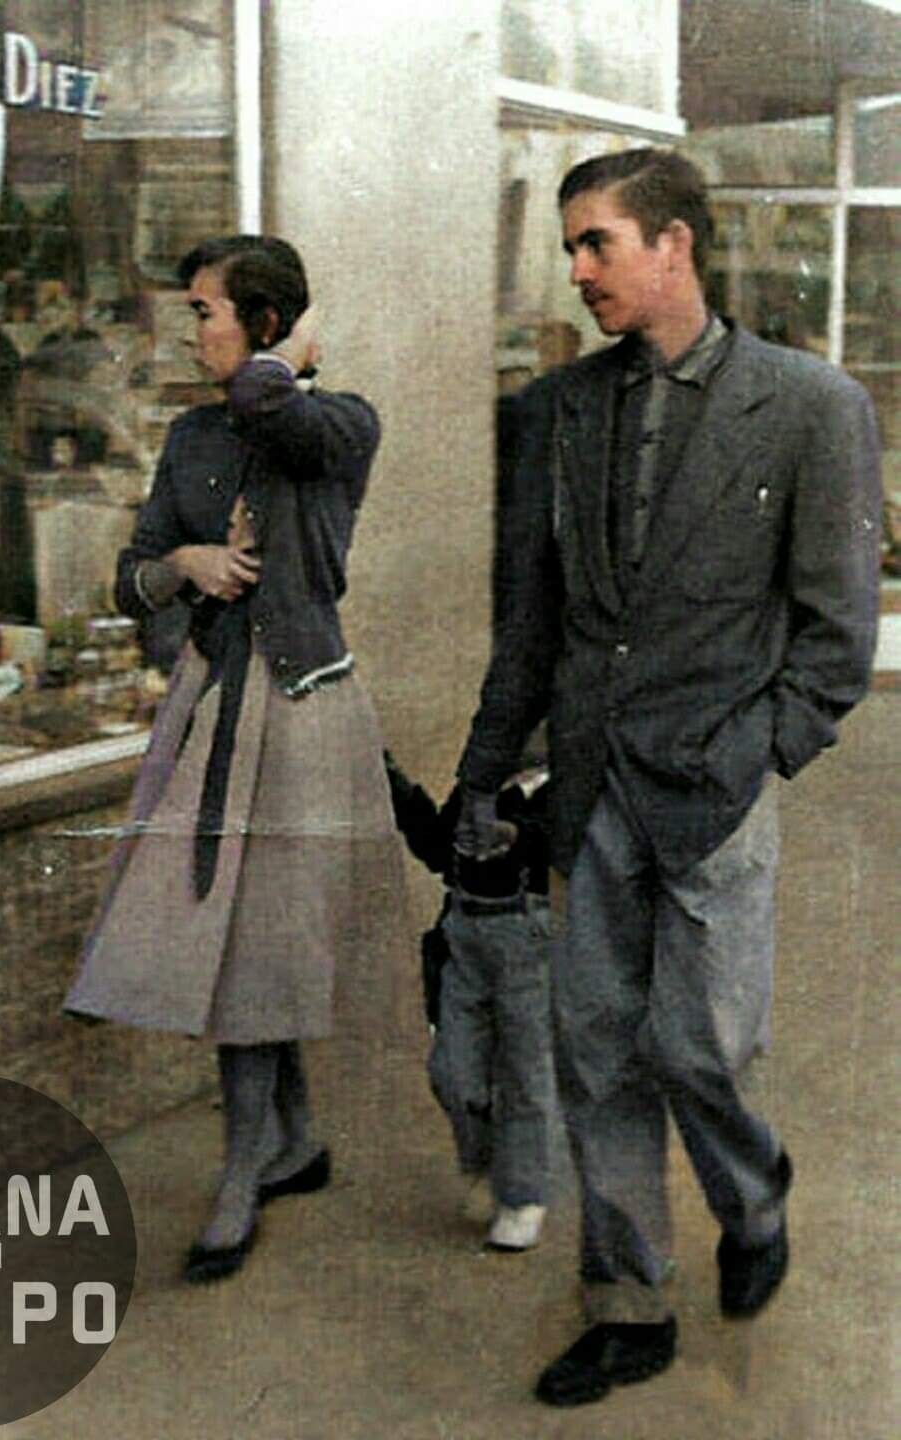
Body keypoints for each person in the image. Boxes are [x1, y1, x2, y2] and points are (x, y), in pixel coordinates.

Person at [455, 149, 881, 1407]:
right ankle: (628, 1300)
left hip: (715, 787)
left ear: (673, 246)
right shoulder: (560, 412)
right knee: (594, 1046)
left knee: (699, 1045)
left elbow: (833, 630)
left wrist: (765, 749)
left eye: (595, 244)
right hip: (588, 786)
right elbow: (529, 623)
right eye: (571, 247)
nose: (575, 269)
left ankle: (752, 1204)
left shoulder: (809, 406)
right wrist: (486, 774)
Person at [65, 235, 407, 1284]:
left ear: (265, 328)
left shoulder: (334, 423)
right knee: (236, 937)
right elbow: (126, 580)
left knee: (254, 943)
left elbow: (275, 409)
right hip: (213, 708)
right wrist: (183, 563)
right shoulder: (188, 437)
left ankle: (242, 1170)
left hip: (297, 710)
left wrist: (292, 354)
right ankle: (285, 1143)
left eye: (207, 311)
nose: (191, 329)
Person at [385, 753, 555, 1251]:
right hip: (465, 939)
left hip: (533, 943)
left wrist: (517, 837)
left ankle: (523, 1194)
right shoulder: (481, 783)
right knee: (453, 1071)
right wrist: (397, 788)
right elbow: (439, 849)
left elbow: (565, 846)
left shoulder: (566, 788)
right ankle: (486, 1160)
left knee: (526, 1073)